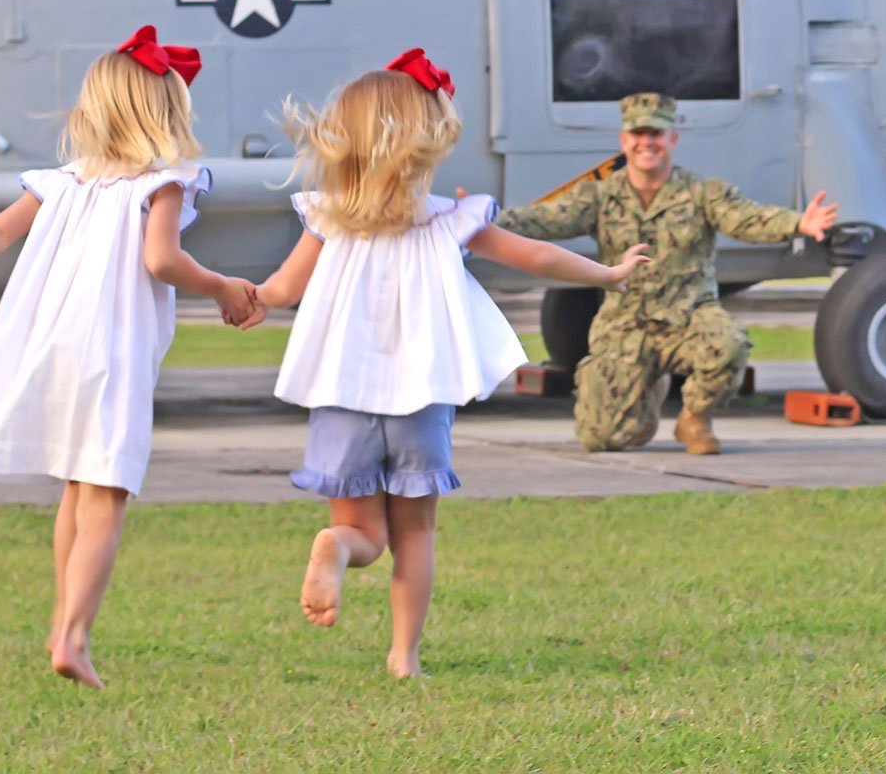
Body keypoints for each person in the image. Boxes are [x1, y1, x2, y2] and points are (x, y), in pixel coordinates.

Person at [239, 49, 649, 678]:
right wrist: (611, 274)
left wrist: (244, 297)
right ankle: (404, 657)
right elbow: (537, 257)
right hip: (421, 400)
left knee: (365, 536)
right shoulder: (452, 221)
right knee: (415, 536)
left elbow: (280, 290)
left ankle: (337, 549)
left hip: (342, 398)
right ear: (427, 140)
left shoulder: (326, 217)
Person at [0, 25, 257, 689]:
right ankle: (75, 637)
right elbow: (162, 260)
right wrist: (224, 286)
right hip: (111, 351)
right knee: (105, 495)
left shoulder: (62, 180)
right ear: (167, 112)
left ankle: (61, 621)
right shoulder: (168, 181)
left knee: (75, 492)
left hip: (48, 345)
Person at [494, 92, 838, 457]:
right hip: (626, 325)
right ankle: (645, 399)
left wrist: (799, 223)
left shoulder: (701, 193)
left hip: (688, 318)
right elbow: (545, 219)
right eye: (638, 134)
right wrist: (484, 219)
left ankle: (695, 418)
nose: (647, 143)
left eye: (656, 133)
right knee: (600, 439)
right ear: (624, 140)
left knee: (728, 345)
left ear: (673, 139)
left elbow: (747, 218)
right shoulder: (599, 196)